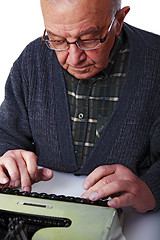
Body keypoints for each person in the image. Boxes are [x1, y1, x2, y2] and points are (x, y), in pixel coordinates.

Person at [0, 0, 160, 213]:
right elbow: (7, 133)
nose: (74, 58)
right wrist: (7, 157)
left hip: (134, 221)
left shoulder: (155, 63)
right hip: (42, 209)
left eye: (89, 39)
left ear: (118, 21)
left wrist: (151, 190)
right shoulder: (32, 61)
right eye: (57, 40)